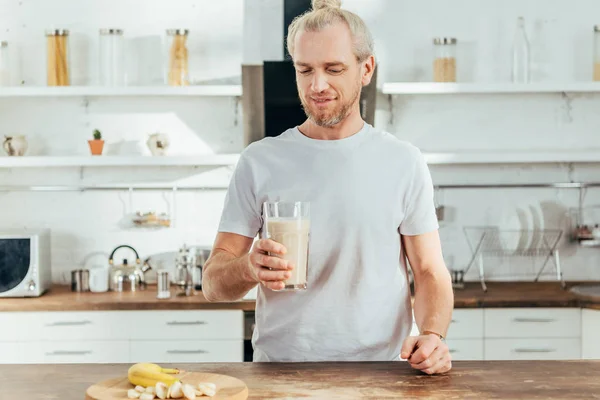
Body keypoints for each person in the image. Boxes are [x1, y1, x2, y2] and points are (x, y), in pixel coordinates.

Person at [202, 0, 454, 375]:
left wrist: (433, 334)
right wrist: (247, 268)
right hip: (280, 376)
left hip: (380, 374)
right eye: (305, 70)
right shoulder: (259, 161)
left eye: (333, 69)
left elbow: (430, 271)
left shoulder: (403, 162)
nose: (317, 85)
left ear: (365, 68)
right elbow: (213, 283)